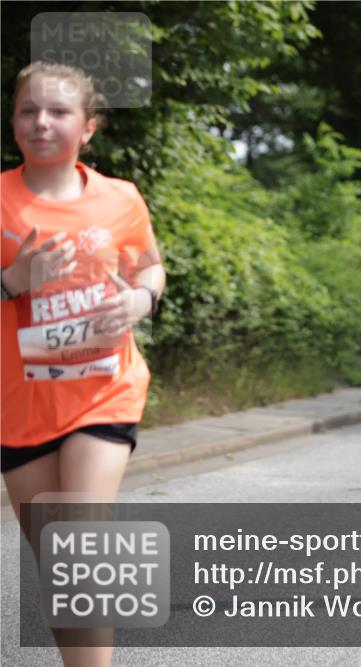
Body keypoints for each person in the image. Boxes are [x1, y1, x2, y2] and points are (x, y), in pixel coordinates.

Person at [1, 62, 166, 666]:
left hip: (105, 390)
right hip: (19, 406)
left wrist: (140, 297)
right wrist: (11, 281)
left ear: (88, 127)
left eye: (58, 111)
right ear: (14, 118)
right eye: (28, 110)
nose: (41, 122)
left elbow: (149, 264)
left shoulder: (120, 198)